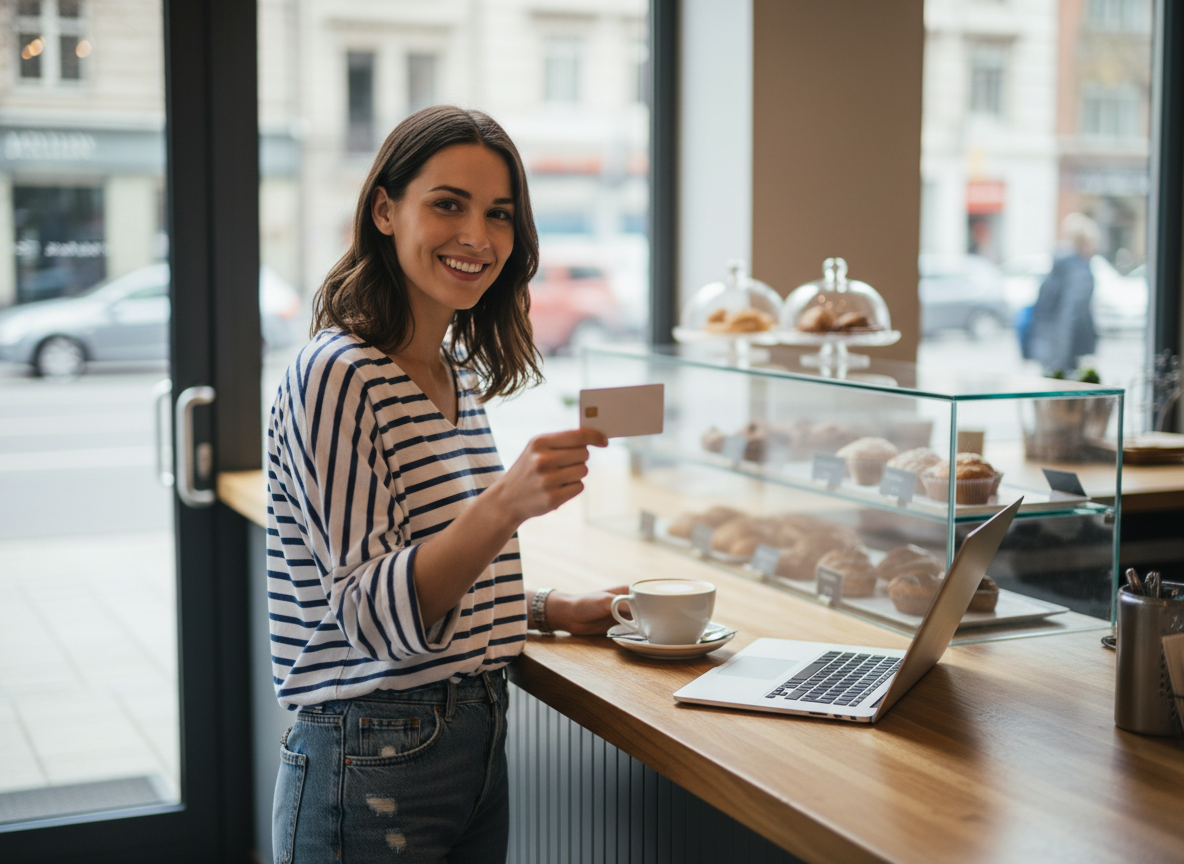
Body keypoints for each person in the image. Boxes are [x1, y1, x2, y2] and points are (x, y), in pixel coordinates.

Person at [265, 105, 624, 863]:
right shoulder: (337, 373)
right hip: (371, 755)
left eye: (499, 215)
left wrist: (547, 609)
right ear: (385, 210)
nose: (478, 237)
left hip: (472, 739)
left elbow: (428, 572)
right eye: (447, 204)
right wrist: (506, 505)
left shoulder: (451, 373)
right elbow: (369, 615)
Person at [1021, 212, 1100, 375]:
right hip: (1065, 354)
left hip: (1046, 347)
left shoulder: (1058, 266)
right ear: (1084, 243)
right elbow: (1069, 316)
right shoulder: (1078, 272)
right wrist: (1061, 361)